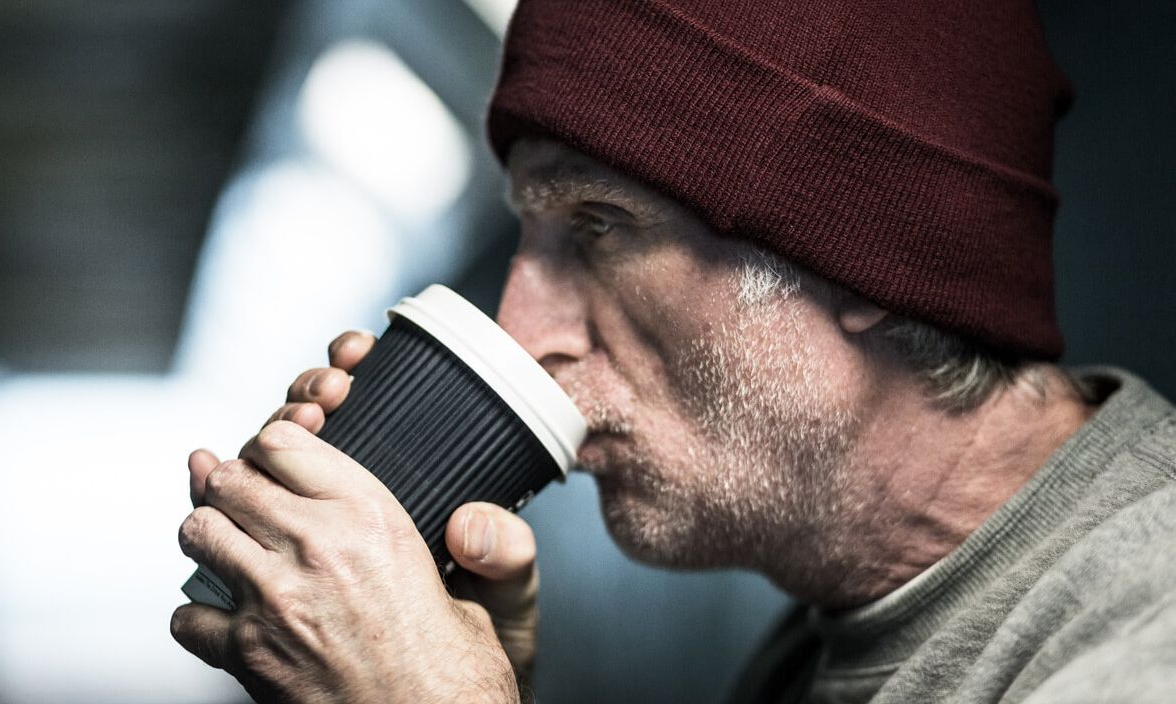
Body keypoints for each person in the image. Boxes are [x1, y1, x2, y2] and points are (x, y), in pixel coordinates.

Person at [169, 0, 1176, 702]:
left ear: (869, 259)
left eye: (600, 224)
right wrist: (474, 673)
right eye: (528, 236)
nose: (526, 327)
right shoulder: (848, 626)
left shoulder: (1143, 647)